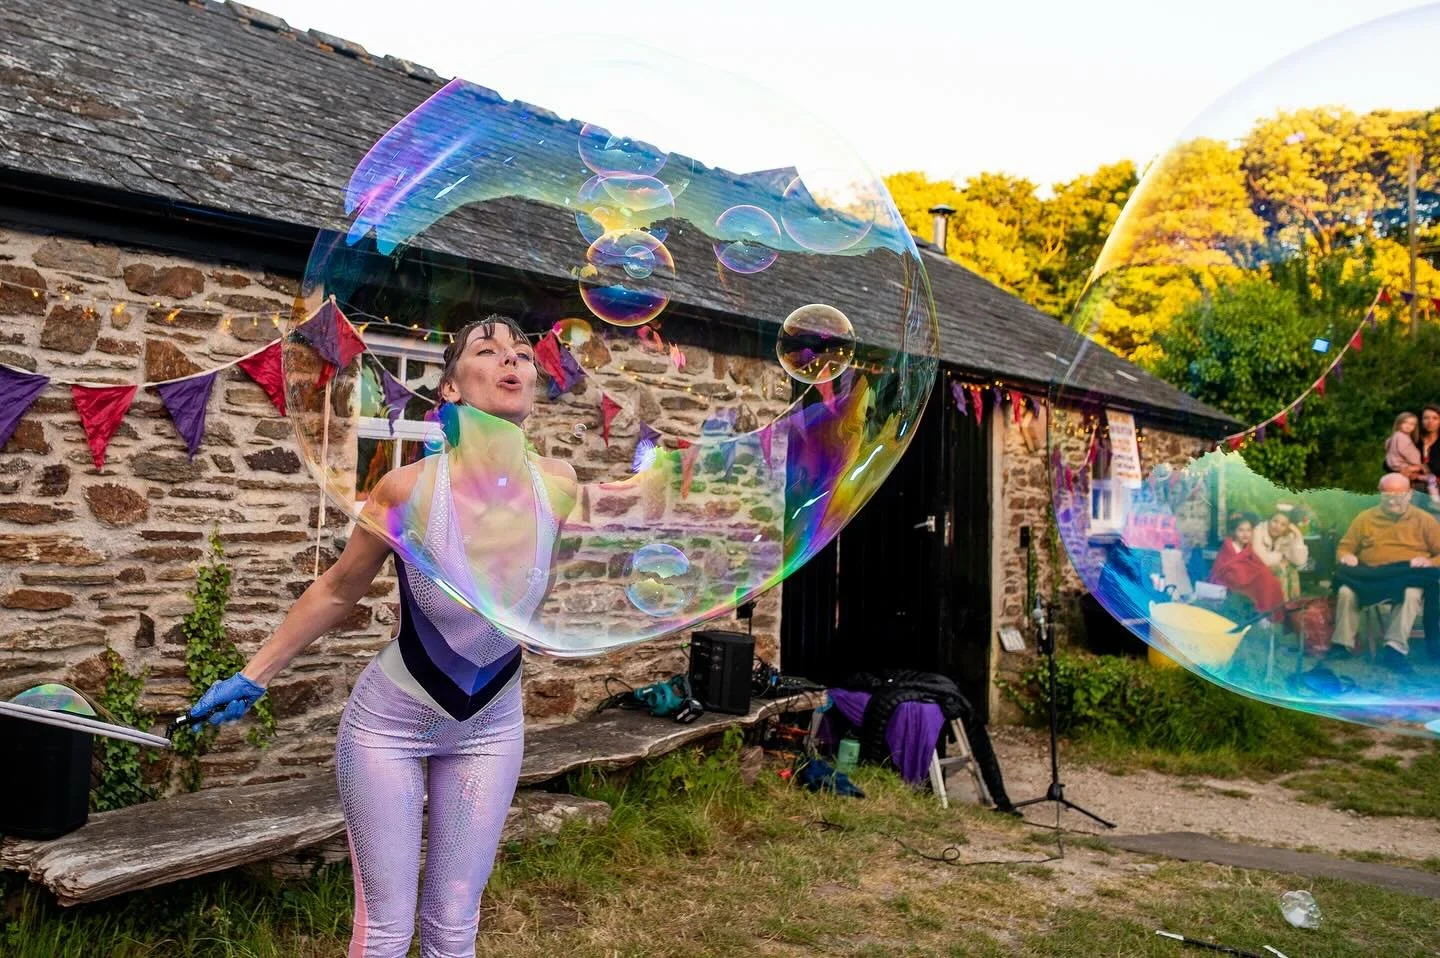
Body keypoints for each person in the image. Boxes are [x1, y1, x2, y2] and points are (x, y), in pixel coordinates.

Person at [188, 315, 577, 958]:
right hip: (390, 726)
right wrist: (252, 676)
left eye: (522, 353)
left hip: (493, 726)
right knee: (386, 932)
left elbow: (537, 592)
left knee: (454, 925)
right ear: (450, 388)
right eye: (487, 350)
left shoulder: (558, 486)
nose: (512, 360)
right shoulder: (409, 490)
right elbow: (339, 591)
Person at [1328, 473, 1440, 673]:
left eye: (1398, 496)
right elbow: (1345, 547)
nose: (1392, 501)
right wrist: (1347, 556)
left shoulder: (1424, 520)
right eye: (1387, 496)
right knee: (1346, 590)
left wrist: (1430, 561)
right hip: (1372, 575)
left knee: (1411, 592)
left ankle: (1394, 650)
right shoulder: (1365, 518)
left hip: (1407, 575)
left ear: (1410, 494)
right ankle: (1342, 645)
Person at [1207, 513, 1285, 622]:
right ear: (1234, 532)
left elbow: (1257, 565)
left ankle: (1266, 615)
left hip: (1245, 581)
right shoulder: (1228, 547)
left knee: (1269, 579)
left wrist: (1261, 574)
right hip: (1230, 583)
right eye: (1241, 530)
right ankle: (1261, 615)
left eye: (1248, 530)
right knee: (1259, 578)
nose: (1245, 534)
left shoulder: (1248, 549)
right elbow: (1224, 569)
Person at [1252, 505, 1309, 601]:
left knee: (1292, 570)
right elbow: (1262, 560)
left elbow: (1299, 561)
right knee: (1280, 570)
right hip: (1253, 568)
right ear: (1269, 520)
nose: (1277, 526)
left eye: (1283, 525)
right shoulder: (1258, 531)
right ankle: (1280, 605)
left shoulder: (1288, 535)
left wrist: (1298, 536)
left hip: (1271, 566)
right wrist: (1281, 556)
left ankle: (1292, 604)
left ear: (1287, 527)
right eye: (1275, 521)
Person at [1384, 411, 1427, 484]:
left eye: (1412, 424)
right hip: (1403, 467)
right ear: (1399, 423)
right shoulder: (1402, 437)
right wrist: (1419, 465)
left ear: (1415, 427)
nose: (1408, 426)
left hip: (1395, 467)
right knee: (1430, 479)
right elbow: (1410, 453)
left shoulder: (1394, 436)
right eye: (1405, 422)